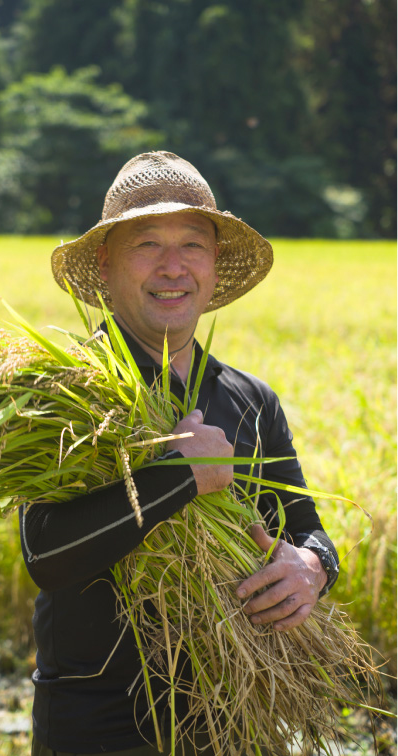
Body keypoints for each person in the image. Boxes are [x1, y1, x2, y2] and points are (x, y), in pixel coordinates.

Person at [20, 151, 339, 756]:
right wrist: (180, 479)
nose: (173, 267)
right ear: (106, 263)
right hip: (97, 727)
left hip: (233, 718)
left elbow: (311, 533)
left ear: (215, 264)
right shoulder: (64, 393)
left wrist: (313, 568)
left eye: (193, 244)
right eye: (147, 244)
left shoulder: (251, 402)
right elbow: (45, 554)